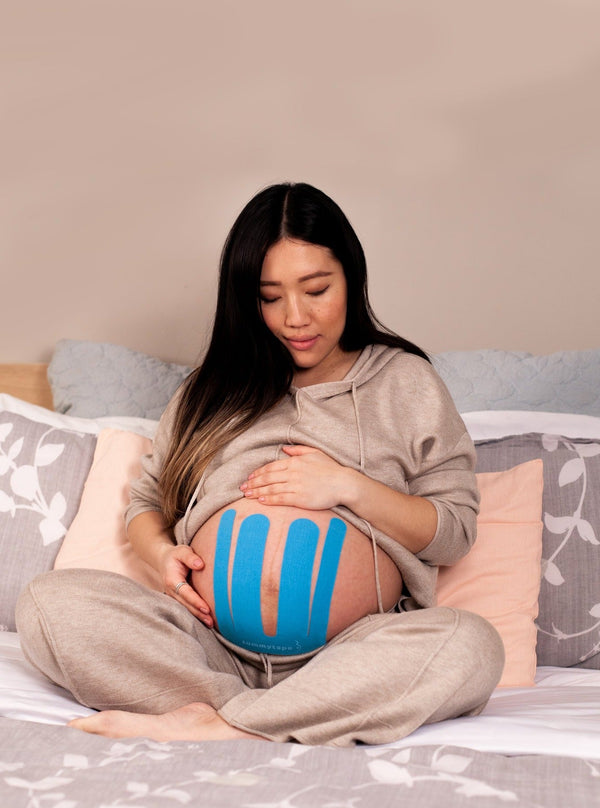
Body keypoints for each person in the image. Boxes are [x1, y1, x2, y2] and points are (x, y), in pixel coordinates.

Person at [16, 182, 504, 747]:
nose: (295, 317)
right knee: (48, 605)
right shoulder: (211, 390)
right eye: (271, 297)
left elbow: (454, 533)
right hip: (207, 650)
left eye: (316, 289)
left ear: (352, 277)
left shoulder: (405, 383)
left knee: (471, 645)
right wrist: (161, 555)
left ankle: (218, 723)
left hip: (351, 652)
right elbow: (149, 500)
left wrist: (346, 487)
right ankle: (269, 716)